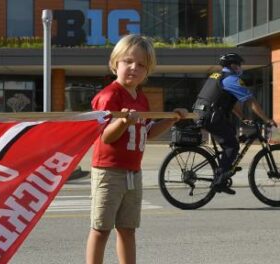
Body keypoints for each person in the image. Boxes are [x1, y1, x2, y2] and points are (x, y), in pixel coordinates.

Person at [86, 34, 187, 264]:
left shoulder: (141, 98)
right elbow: (106, 137)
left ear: (147, 71)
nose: (134, 68)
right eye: (128, 61)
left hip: (133, 171)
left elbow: (148, 132)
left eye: (141, 65)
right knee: (101, 229)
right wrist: (122, 121)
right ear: (115, 63)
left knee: (128, 228)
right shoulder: (109, 95)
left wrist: (172, 119)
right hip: (108, 172)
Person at [193, 52, 277, 195]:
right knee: (232, 146)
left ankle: (224, 169)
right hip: (212, 117)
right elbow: (251, 101)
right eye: (239, 65)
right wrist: (266, 119)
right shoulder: (232, 79)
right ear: (233, 65)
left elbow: (230, 103)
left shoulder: (217, 76)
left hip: (202, 114)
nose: (240, 68)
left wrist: (243, 117)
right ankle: (219, 180)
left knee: (231, 135)